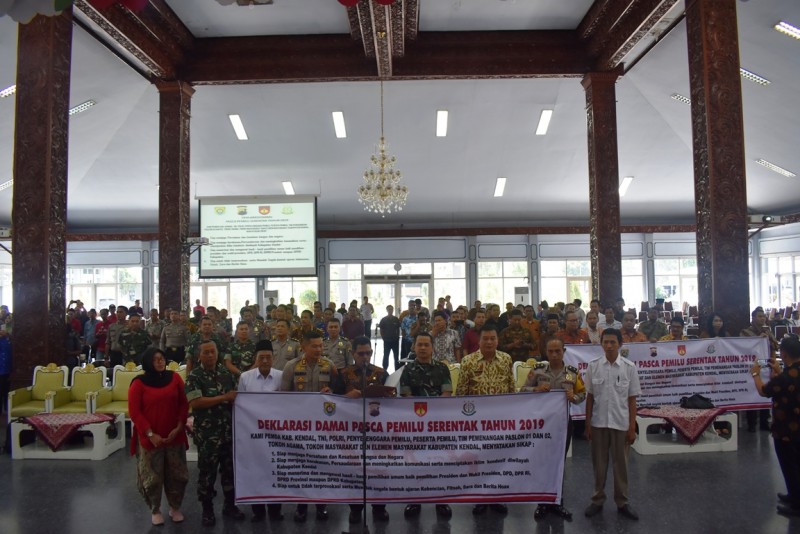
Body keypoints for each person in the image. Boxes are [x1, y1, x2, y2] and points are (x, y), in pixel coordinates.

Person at [521, 337, 586, 521]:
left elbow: (583, 393)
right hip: (541, 424)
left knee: (559, 463)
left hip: (563, 424)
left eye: (558, 351)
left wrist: (574, 397)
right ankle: (542, 502)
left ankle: (557, 501)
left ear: (564, 351)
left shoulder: (572, 373)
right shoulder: (538, 370)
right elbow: (522, 390)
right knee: (542, 462)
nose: (555, 354)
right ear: (546, 352)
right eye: (551, 351)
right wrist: (535, 390)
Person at [281, 331, 341, 522]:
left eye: (320, 346)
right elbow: (283, 396)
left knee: (322, 466)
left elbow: (338, 392)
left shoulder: (329, 365)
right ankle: (301, 505)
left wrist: (331, 390)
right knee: (302, 467)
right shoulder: (291, 366)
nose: (318, 349)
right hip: (300, 425)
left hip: (323, 425)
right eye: (314, 346)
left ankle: (321, 504)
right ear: (303, 347)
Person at [456, 324, 516, 515]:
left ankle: (497, 496)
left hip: (500, 422)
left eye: (492, 338)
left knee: (498, 459)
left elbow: (511, 389)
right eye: (485, 339)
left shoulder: (506, 359)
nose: (489, 342)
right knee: (478, 460)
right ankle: (479, 497)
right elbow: (461, 394)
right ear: (479, 341)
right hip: (476, 423)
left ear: (497, 340)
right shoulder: (468, 361)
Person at [584, 329, 641, 520]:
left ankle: (622, 502)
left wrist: (632, 427)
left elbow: (632, 400)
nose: (609, 346)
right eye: (605, 342)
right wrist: (587, 425)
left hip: (621, 423)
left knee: (621, 466)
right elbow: (590, 398)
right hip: (598, 423)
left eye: (612, 342)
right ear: (601, 343)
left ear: (620, 344)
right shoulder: (593, 366)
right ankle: (597, 499)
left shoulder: (629, 367)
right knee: (599, 465)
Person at [185, 340, 243, 526]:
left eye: (213, 351)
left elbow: (236, 397)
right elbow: (196, 402)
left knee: (229, 472)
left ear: (218, 353)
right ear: (199, 355)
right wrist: (223, 397)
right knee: (207, 474)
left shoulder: (227, 374)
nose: (210, 355)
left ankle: (230, 506)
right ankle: (207, 509)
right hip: (208, 435)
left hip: (228, 432)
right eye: (206, 352)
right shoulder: (194, 376)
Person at [128, 347, 189, 526]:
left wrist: (179, 426)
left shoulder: (174, 378)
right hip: (151, 439)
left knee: (177, 475)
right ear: (148, 362)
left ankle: (175, 507)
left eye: (161, 358)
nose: (160, 362)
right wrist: (150, 433)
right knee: (152, 477)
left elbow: (183, 403)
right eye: (155, 359)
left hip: (174, 435)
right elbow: (135, 412)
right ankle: (155, 509)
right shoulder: (138, 383)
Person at [400, 332, 453, 520]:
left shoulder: (442, 368)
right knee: (415, 462)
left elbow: (447, 393)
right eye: (419, 344)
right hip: (415, 424)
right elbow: (406, 395)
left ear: (432, 347)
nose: (422, 348)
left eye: (426, 345)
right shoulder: (407, 370)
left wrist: (433, 411)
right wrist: (421, 415)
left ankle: (441, 500)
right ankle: (415, 499)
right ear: (414, 347)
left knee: (440, 461)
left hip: (438, 422)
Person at [342, 336, 391, 524]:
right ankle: (355, 509)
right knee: (354, 470)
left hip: (377, 430)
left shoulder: (381, 373)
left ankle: (379, 507)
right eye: (361, 354)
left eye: (368, 353)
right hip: (352, 430)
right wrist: (348, 396)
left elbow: (392, 399)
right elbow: (334, 401)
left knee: (379, 469)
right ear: (353, 353)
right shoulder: (344, 374)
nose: (365, 357)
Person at [750, 334, 800, 517]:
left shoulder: (786, 378)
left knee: (790, 466)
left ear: (784, 354)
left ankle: (796, 504)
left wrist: (755, 374)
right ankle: (794, 494)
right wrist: (778, 372)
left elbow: (764, 391)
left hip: (787, 430)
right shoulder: (789, 375)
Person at [237, 340, 285, 522]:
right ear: (255, 359)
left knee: (275, 470)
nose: (265, 361)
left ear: (273, 358)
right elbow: (240, 405)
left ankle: (275, 510)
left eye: (268, 357)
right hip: (253, 434)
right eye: (261, 357)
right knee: (255, 471)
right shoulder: (245, 377)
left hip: (276, 434)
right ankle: (257, 511)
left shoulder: (281, 376)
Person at [742, 307, 780, 433]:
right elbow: (744, 348)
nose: (762, 319)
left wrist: (768, 339)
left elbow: (775, 346)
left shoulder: (767, 331)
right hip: (753, 365)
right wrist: (758, 339)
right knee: (752, 394)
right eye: (759, 316)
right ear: (753, 318)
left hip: (766, 365)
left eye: (763, 316)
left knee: (766, 392)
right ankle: (752, 424)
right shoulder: (745, 332)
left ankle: (764, 422)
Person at [378, 304, 401, 370]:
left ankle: (397, 369)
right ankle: (384, 369)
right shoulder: (383, 319)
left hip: (395, 341)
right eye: (389, 309)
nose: (390, 310)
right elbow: (381, 330)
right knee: (386, 356)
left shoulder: (396, 319)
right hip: (387, 341)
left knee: (396, 356)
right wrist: (383, 338)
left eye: (391, 309)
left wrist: (398, 337)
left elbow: (398, 329)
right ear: (387, 310)